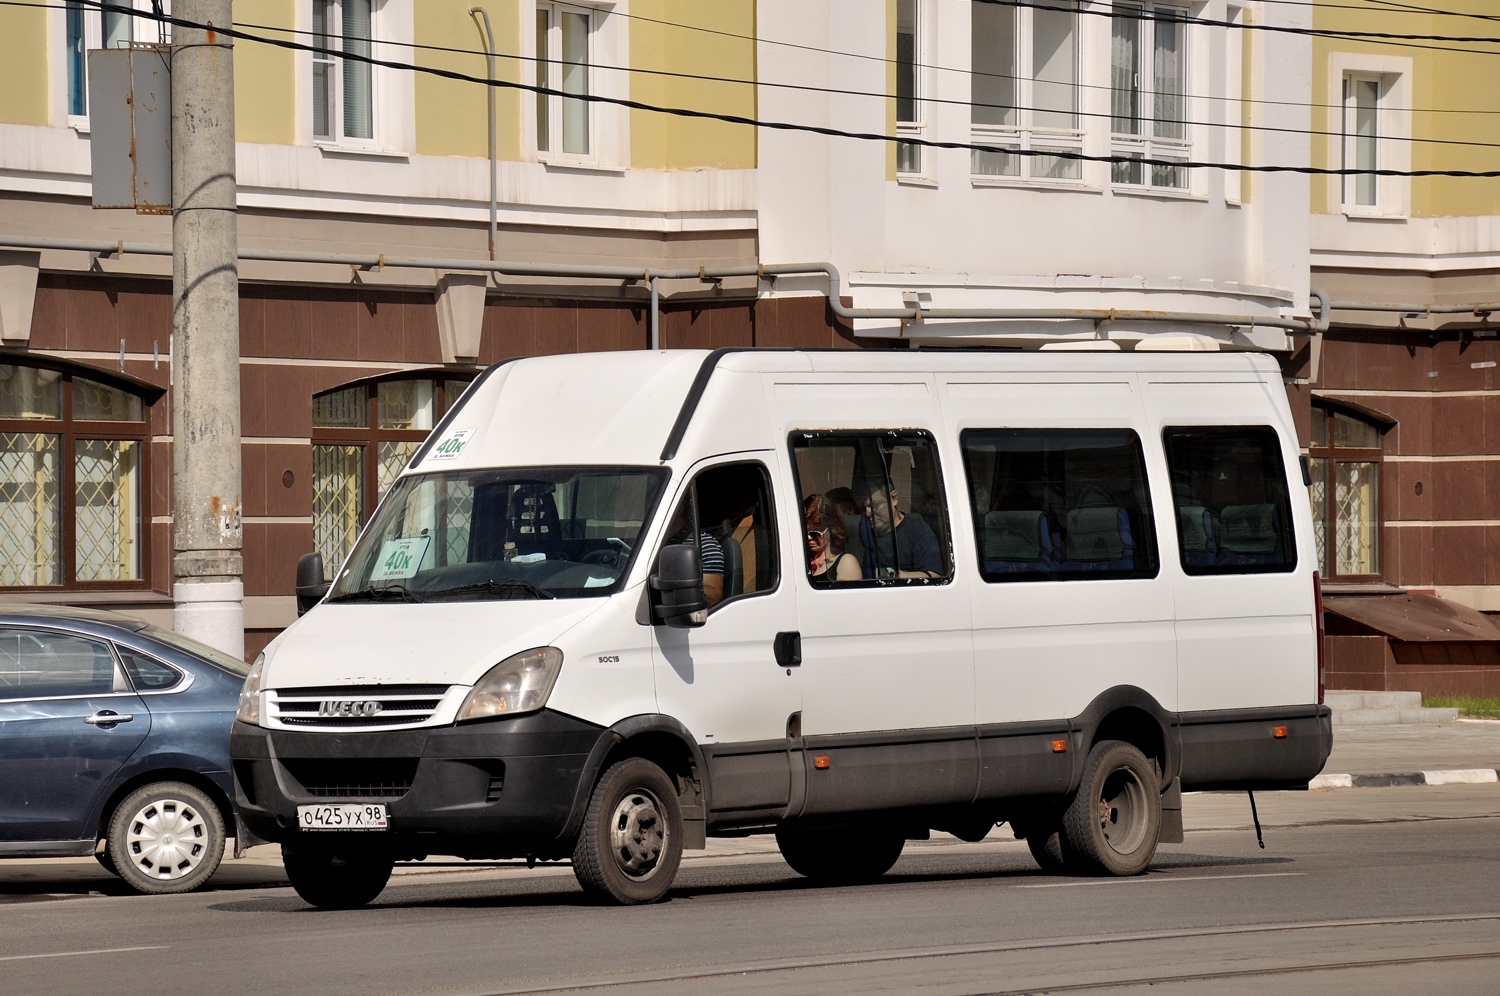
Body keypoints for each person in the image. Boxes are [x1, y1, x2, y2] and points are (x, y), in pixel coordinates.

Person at [865, 486, 942, 578]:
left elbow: (934, 576)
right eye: (863, 507)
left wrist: (888, 575)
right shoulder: (861, 533)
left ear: (893, 498)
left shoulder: (918, 533)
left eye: (874, 505)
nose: (867, 513)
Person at [804, 494, 861, 584]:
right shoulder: (802, 560)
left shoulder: (846, 562)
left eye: (815, 533)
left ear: (831, 529)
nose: (809, 537)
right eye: (804, 532)